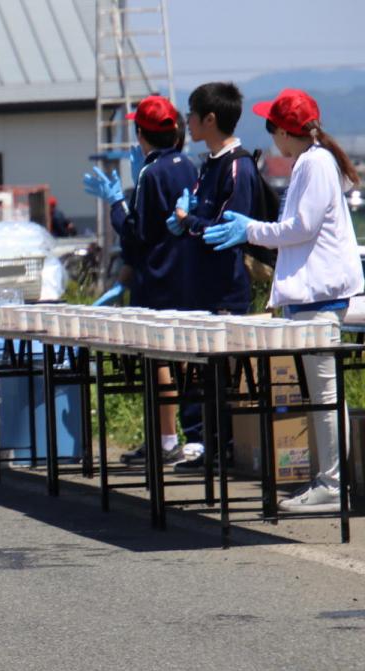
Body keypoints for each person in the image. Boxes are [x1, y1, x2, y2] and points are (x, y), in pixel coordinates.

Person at [204, 89, 363, 512]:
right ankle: (332, 481)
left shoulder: (313, 163)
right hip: (315, 296)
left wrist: (251, 230)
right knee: (323, 397)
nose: (270, 134)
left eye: (272, 126)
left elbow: (300, 227)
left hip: (321, 297)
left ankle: (332, 485)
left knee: (325, 397)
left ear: (285, 131)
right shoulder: (312, 162)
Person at [84, 95, 197, 466]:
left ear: (140, 135)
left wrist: (116, 203)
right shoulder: (189, 164)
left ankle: (165, 441)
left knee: (157, 359)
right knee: (184, 358)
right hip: (187, 275)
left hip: (157, 278)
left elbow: (136, 233)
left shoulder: (151, 173)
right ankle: (188, 436)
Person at [168, 81, 262, 471]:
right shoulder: (208, 163)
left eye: (191, 114)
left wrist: (189, 222)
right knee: (197, 372)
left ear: (210, 118)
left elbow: (227, 228)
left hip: (224, 290)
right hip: (198, 287)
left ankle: (224, 446)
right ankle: (204, 442)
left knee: (222, 377)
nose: (186, 122)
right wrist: (185, 220)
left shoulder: (238, 165)